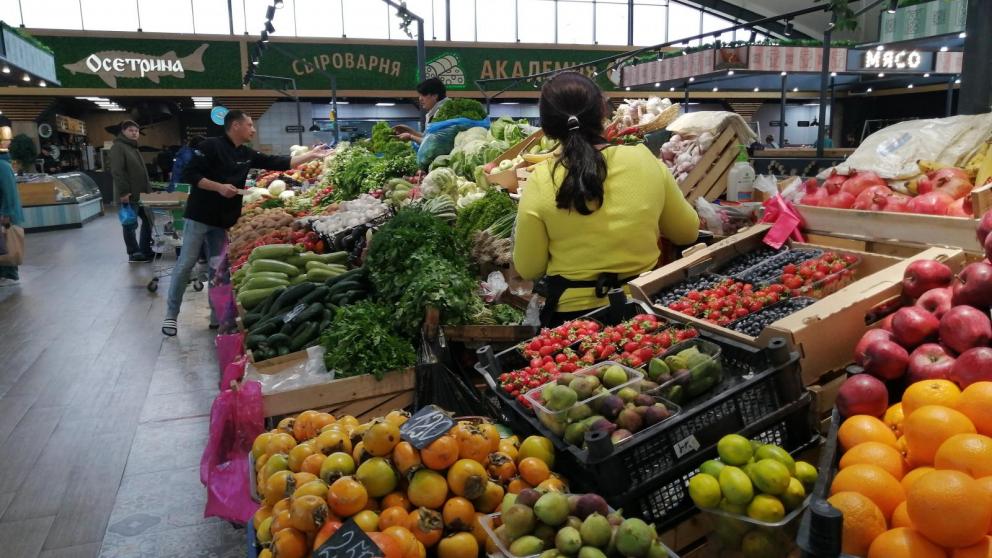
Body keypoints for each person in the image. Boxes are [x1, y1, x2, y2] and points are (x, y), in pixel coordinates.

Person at [513, 72, 699, 326]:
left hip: (572, 326)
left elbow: (529, 268)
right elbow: (687, 232)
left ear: (546, 128)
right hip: (643, 313)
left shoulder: (542, 179)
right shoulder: (643, 159)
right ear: (603, 112)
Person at [161, 110, 331, 336]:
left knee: (218, 270)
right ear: (235, 126)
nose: (253, 129)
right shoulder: (211, 146)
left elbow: (278, 162)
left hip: (222, 222)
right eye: (250, 125)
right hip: (199, 216)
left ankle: (218, 317)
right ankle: (171, 316)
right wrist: (220, 187)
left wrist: (310, 155)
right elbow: (189, 174)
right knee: (185, 264)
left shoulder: (246, 153)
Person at [110, 120, 153, 263]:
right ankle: (134, 253)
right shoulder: (119, 147)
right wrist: (123, 193)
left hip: (142, 194)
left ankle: (145, 249)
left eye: (136, 130)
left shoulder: (133, 147)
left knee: (149, 220)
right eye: (131, 130)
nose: (134, 133)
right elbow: (117, 171)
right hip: (130, 195)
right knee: (129, 223)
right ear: (123, 131)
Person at [0, 119, 23, 287]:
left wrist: (7, 213)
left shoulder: (2, 166)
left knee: (7, 243)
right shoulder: (4, 164)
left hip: (5, 213)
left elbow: (8, 192)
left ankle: (8, 275)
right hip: (5, 211)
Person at [395, 78, 449, 143]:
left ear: (435, 95)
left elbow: (434, 142)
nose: (420, 99)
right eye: (419, 95)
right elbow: (426, 137)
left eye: (423, 95)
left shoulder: (444, 112)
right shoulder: (433, 112)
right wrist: (409, 131)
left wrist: (410, 136)